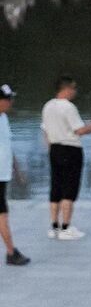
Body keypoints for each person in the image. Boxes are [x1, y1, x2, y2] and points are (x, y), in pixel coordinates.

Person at [42, 76, 91, 240]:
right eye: (73, 88)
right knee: (69, 188)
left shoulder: (48, 106)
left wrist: (50, 149)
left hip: (54, 148)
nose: (75, 91)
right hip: (70, 150)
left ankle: (54, 226)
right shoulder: (68, 107)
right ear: (66, 89)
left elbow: (45, 131)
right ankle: (66, 227)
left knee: (56, 187)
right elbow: (79, 130)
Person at [0, 84, 28, 266]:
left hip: (3, 174)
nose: (11, 103)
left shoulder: (4, 118)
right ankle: (11, 252)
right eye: (8, 99)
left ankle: (11, 252)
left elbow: (7, 147)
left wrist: (17, 170)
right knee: (2, 213)